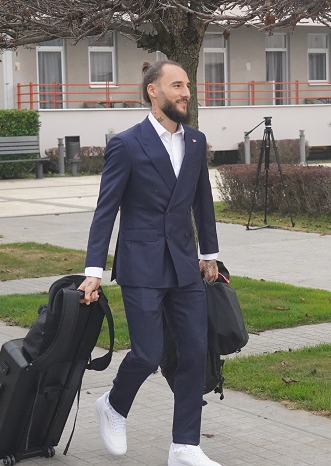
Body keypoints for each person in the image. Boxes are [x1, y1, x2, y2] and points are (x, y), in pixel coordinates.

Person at [78, 60, 221, 466]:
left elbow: (202, 201)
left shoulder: (196, 141)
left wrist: (208, 254)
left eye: (187, 85)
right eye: (177, 85)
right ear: (152, 91)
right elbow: (106, 209)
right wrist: (93, 271)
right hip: (140, 264)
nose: (186, 92)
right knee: (148, 353)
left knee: (194, 350)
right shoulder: (127, 144)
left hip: (184, 263)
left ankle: (184, 446)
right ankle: (113, 405)